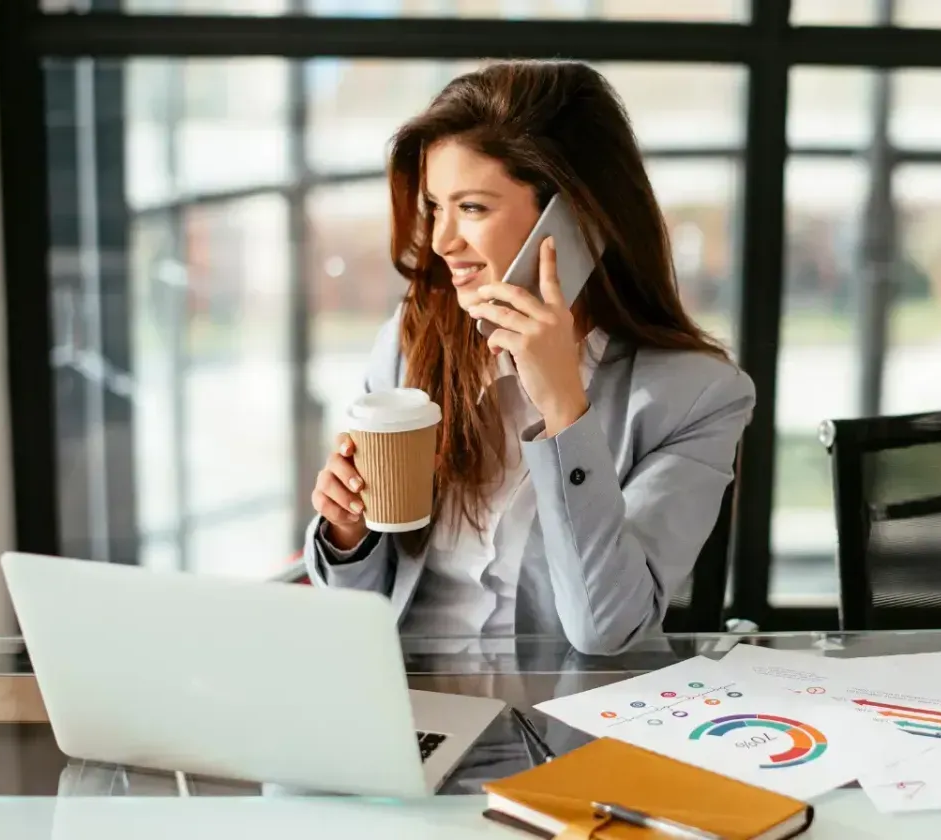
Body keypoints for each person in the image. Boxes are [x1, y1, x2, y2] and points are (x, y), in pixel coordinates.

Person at [302, 60, 754, 656]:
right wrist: (348, 532)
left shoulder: (697, 397)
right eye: (435, 206)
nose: (440, 241)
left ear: (571, 219)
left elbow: (606, 629)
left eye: (472, 208)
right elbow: (357, 611)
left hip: (562, 707)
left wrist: (565, 410)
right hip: (408, 696)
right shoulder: (412, 342)